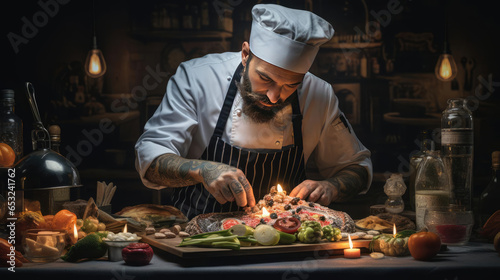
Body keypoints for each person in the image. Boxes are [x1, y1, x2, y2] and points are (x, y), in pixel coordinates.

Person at [135, 4, 372, 219]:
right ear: (246, 55)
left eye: (291, 85)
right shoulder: (197, 77)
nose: (273, 96)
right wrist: (202, 169)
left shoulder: (319, 94)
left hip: (285, 241)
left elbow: (358, 167)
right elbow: (151, 159)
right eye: (265, 78)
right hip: (197, 241)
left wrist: (333, 186)